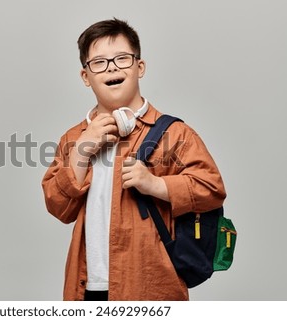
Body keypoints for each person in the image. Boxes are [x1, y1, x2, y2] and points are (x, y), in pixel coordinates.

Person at [41, 18, 226, 301]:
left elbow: (212, 189)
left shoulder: (175, 134)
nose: (112, 67)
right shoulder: (74, 138)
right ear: (85, 76)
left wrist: (154, 184)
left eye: (122, 59)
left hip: (150, 287)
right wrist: (81, 151)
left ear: (139, 67)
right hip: (86, 288)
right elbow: (59, 207)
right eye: (99, 62)